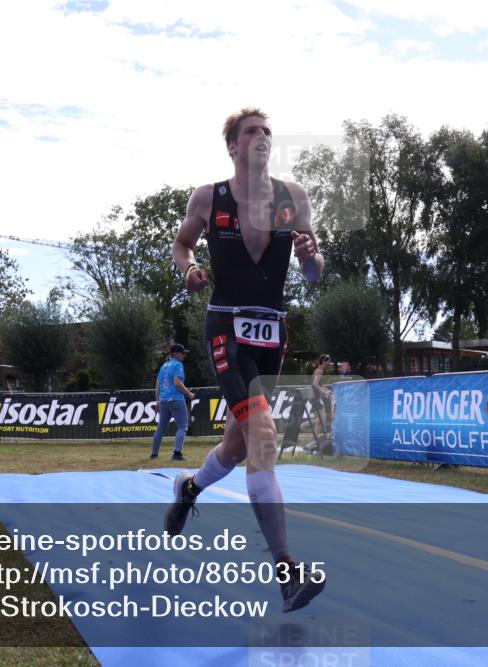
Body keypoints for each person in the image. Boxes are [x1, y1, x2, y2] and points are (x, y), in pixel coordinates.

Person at [166, 107, 326, 613]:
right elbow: (182, 244)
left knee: (238, 444)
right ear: (233, 146)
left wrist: (310, 257)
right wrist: (189, 269)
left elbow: (315, 273)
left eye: (267, 131)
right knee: (263, 434)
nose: (262, 137)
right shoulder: (207, 197)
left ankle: (190, 487)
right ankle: (287, 571)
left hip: (271, 332)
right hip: (226, 327)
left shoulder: (292, 197)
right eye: (251, 131)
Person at [151, 344, 196, 461]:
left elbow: (157, 385)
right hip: (176, 399)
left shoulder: (164, 366)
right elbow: (177, 382)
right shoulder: (178, 365)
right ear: (176, 354)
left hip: (164, 400)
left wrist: (157, 401)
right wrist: (189, 394)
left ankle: (154, 454)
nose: (184, 355)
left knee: (160, 428)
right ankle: (176, 454)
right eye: (182, 353)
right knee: (182, 427)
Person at [308, 354, 333, 429]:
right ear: (324, 362)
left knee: (321, 419)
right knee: (321, 420)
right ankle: (314, 438)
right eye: (329, 361)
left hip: (315, 396)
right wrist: (324, 392)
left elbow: (317, 384)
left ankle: (302, 426)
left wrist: (324, 389)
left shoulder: (319, 370)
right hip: (314, 397)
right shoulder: (320, 371)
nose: (329, 363)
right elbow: (315, 384)